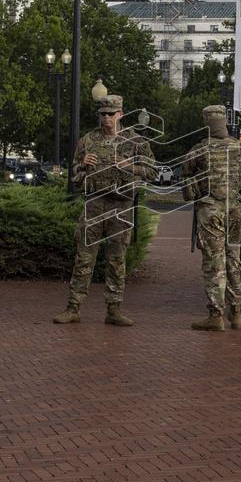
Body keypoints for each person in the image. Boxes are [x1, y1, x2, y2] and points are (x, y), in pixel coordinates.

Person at [53, 94, 156, 326]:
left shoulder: (135, 142)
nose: (106, 118)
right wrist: (82, 165)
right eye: (103, 114)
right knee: (84, 258)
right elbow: (75, 177)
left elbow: (153, 172)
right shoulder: (88, 141)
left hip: (121, 207)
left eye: (111, 114)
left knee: (117, 260)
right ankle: (73, 307)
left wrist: (131, 166)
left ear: (120, 114)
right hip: (94, 205)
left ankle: (114, 309)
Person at [182, 105, 241, 332]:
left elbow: (185, 177)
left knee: (214, 262)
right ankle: (237, 312)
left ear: (207, 123)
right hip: (235, 210)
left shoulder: (200, 149)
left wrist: (194, 192)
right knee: (234, 259)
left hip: (211, 210)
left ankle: (215, 314)